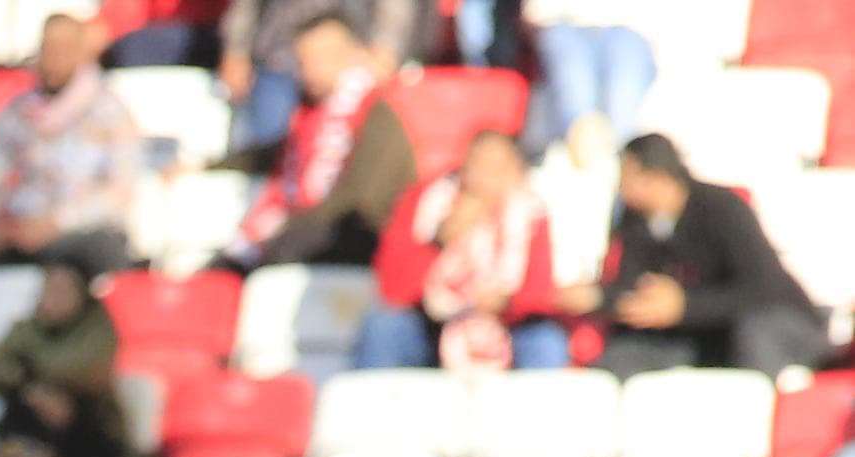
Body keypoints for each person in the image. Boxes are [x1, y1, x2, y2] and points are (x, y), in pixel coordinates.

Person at [593, 128, 827, 377]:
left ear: (658, 177)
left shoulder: (722, 208)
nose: (622, 188)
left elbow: (762, 287)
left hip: (774, 323)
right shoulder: (634, 222)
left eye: (628, 177)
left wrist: (686, 306)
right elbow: (631, 283)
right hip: (701, 333)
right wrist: (603, 298)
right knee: (622, 356)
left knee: (753, 337)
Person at [359, 128, 575, 372]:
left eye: (496, 170)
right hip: (432, 324)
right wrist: (440, 242)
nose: (483, 180)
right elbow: (392, 289)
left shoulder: (531, 213)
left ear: (515, 173)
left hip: (506, 324)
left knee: (546, 343)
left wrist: (503, 302)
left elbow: (540, 293)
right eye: (476, 166)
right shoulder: (427, 202)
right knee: (384, 328)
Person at [0, 12, 140, 274]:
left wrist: (57, 223)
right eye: (48, 49)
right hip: (20, 228)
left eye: (64, 50)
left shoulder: (110, 112)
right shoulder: (19, 112)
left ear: (81, 54)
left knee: (96, 257)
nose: (54, 59)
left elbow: (120, 192)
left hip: (82, 231)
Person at [222, 12, 404, 272]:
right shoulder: (310, 113)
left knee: (279, 245)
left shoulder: (377, 111)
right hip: (304, 227)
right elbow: (274, 154)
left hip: (352, 236)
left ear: (354, 54)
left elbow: (362, 201)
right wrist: (206, 165)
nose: (311, 70)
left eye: (323, 58)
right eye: (304, 61)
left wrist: (290, 224)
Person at [0, 253, 133, 457]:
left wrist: (22, 369)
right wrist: (31, 389)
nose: (54, 297)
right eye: (50, 288)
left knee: (67, 412)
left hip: (89, 425)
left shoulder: (100, 327)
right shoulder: (26, 328)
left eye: (63, 290)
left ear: (82, 294)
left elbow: (78, 370)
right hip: (32, 417)